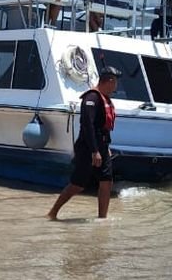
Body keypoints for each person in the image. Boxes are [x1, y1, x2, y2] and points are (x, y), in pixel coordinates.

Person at [48, 66, 122, 220]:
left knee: (107, 180)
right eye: (115, 82)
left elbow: (103, 127)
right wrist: (94, 151)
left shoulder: (105, 99)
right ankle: (52, 213)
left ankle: (102, 218)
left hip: (102, 146)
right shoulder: (91, 98)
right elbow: (87, 125)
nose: (116, 86)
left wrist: (105, 147)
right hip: (87, 147)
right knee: (78, 184)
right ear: (109, 81)